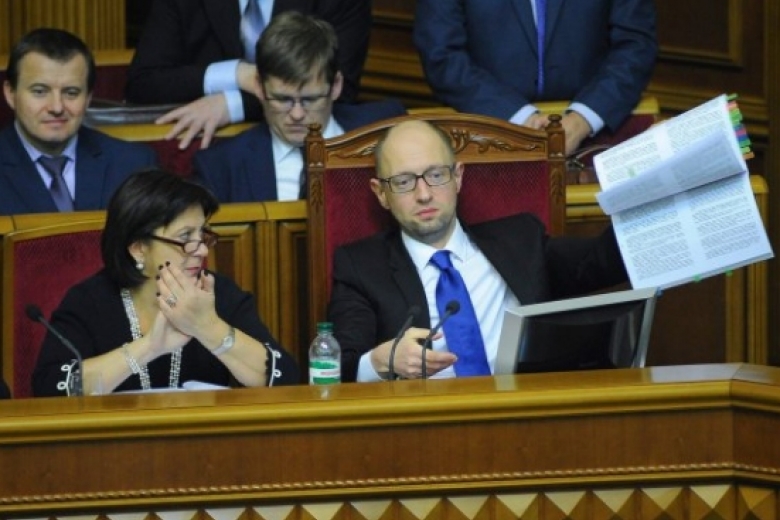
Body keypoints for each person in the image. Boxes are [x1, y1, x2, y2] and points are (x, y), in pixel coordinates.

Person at [327, 120, 629, 382]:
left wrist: (650, 196)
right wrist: (380, 361)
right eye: (404, 182)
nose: (424, 194)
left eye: (436, 175)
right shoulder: (361, 267)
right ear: (381, 193)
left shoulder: (520, 241)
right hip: (424, 419)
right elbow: (335, 365)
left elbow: (602, 261)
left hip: (522, 411)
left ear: (458, 176)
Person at [32, 169, 299, 396]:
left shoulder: (217, 293)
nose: (201, 250)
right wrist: (150, 347)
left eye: (202, 235)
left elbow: (286, 379)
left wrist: (209, 328)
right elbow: (50, 390)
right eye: (185, 237)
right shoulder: (90, 301)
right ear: (138, 248)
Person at [193, 11, 406, 203]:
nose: (296, 114)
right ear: (259, 87)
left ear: (336, 86)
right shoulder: (220, 168)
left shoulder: (388, 129)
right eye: (282, 99)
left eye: (310, 100)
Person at [413, 0, 658, 155]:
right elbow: (441, 56)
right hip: (487, 139)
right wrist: (520, 119)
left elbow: (636, 47)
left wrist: (582, 119)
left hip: (595, 140)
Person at [125, 0, 372, 150]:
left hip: (306, 144)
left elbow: (340, 89)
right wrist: (236, 73)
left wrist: (234, 104)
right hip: (213, 153)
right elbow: (142, 83)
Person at [0, 28, 158, 216]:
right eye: (40, 91)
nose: (57, 107)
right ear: (10, 94)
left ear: (88, 98)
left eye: (71, 93)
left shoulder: (133, 164)